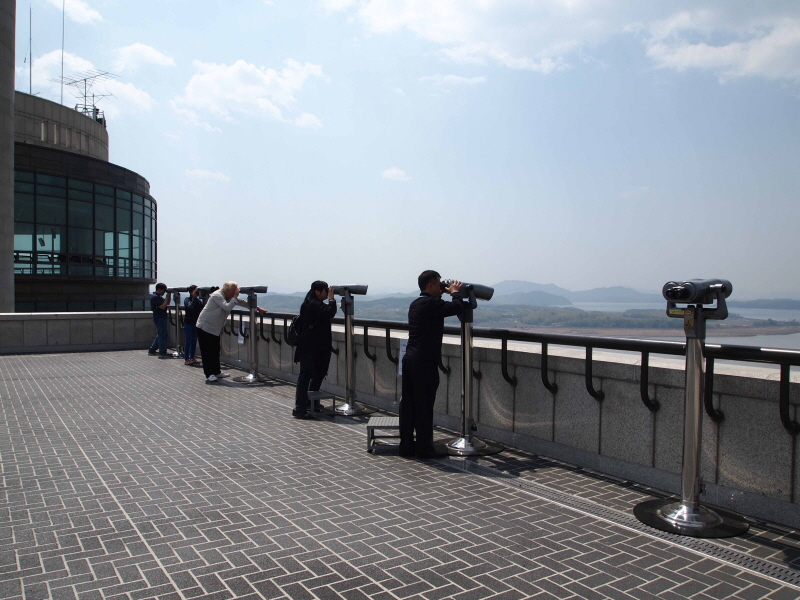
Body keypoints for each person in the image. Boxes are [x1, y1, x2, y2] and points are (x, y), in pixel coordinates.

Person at [400, 271, 464, 458]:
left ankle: (406, 445)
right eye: (438, 285)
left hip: (410, 360)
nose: (441, 288)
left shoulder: (416, 303)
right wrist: (454, 292)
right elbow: (457, 307)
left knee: (409, 405)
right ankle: (424, 448)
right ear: (430, 286)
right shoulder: (431, 304)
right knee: (424, 405)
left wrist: (443, 290)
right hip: (424, 363)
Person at [196, 281, 267, 382]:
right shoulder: (217, 295)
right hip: (205, 327)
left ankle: (217, 372)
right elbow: (227, 306)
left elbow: (241, 302)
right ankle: (209, 374)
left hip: (214, 328)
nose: (236, 293)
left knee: (215, 350)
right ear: (228, 290)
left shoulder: (228, 296)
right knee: (207, 352)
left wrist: (257, 308)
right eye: (234, 291)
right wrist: (234, 296)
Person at [292, 281, 338, 419]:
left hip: (319, 347)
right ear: (317, 292)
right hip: (309, 347)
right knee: (306, 375)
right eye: (326, 291)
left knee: (319, 373)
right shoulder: (311, 304)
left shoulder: (313, 302)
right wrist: (332, 299)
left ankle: (311, 402)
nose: (327, 293)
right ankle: (300, 408)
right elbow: (330, 312)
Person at [148, 283, 172, 358]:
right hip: (159, 318)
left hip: (161, 317)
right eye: (164, 291)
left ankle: (152, 350)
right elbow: (162, 306)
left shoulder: (158, 297)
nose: (164, 292)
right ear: (159, 289)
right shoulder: (155, 297)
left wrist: (169, 295)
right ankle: (162, 352)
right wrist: (167, 295)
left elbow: (167, 303)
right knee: (162, 335)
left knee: (161, 334)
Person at [183, 285, 203, 365]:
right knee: (188, 341)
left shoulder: (198, 301)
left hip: (196, 323)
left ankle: (192, 357)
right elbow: (190, 306)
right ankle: (186, 359)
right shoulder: (187, 299)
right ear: (191, 292)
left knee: (194, 341)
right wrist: (194, 297)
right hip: (188, 323)